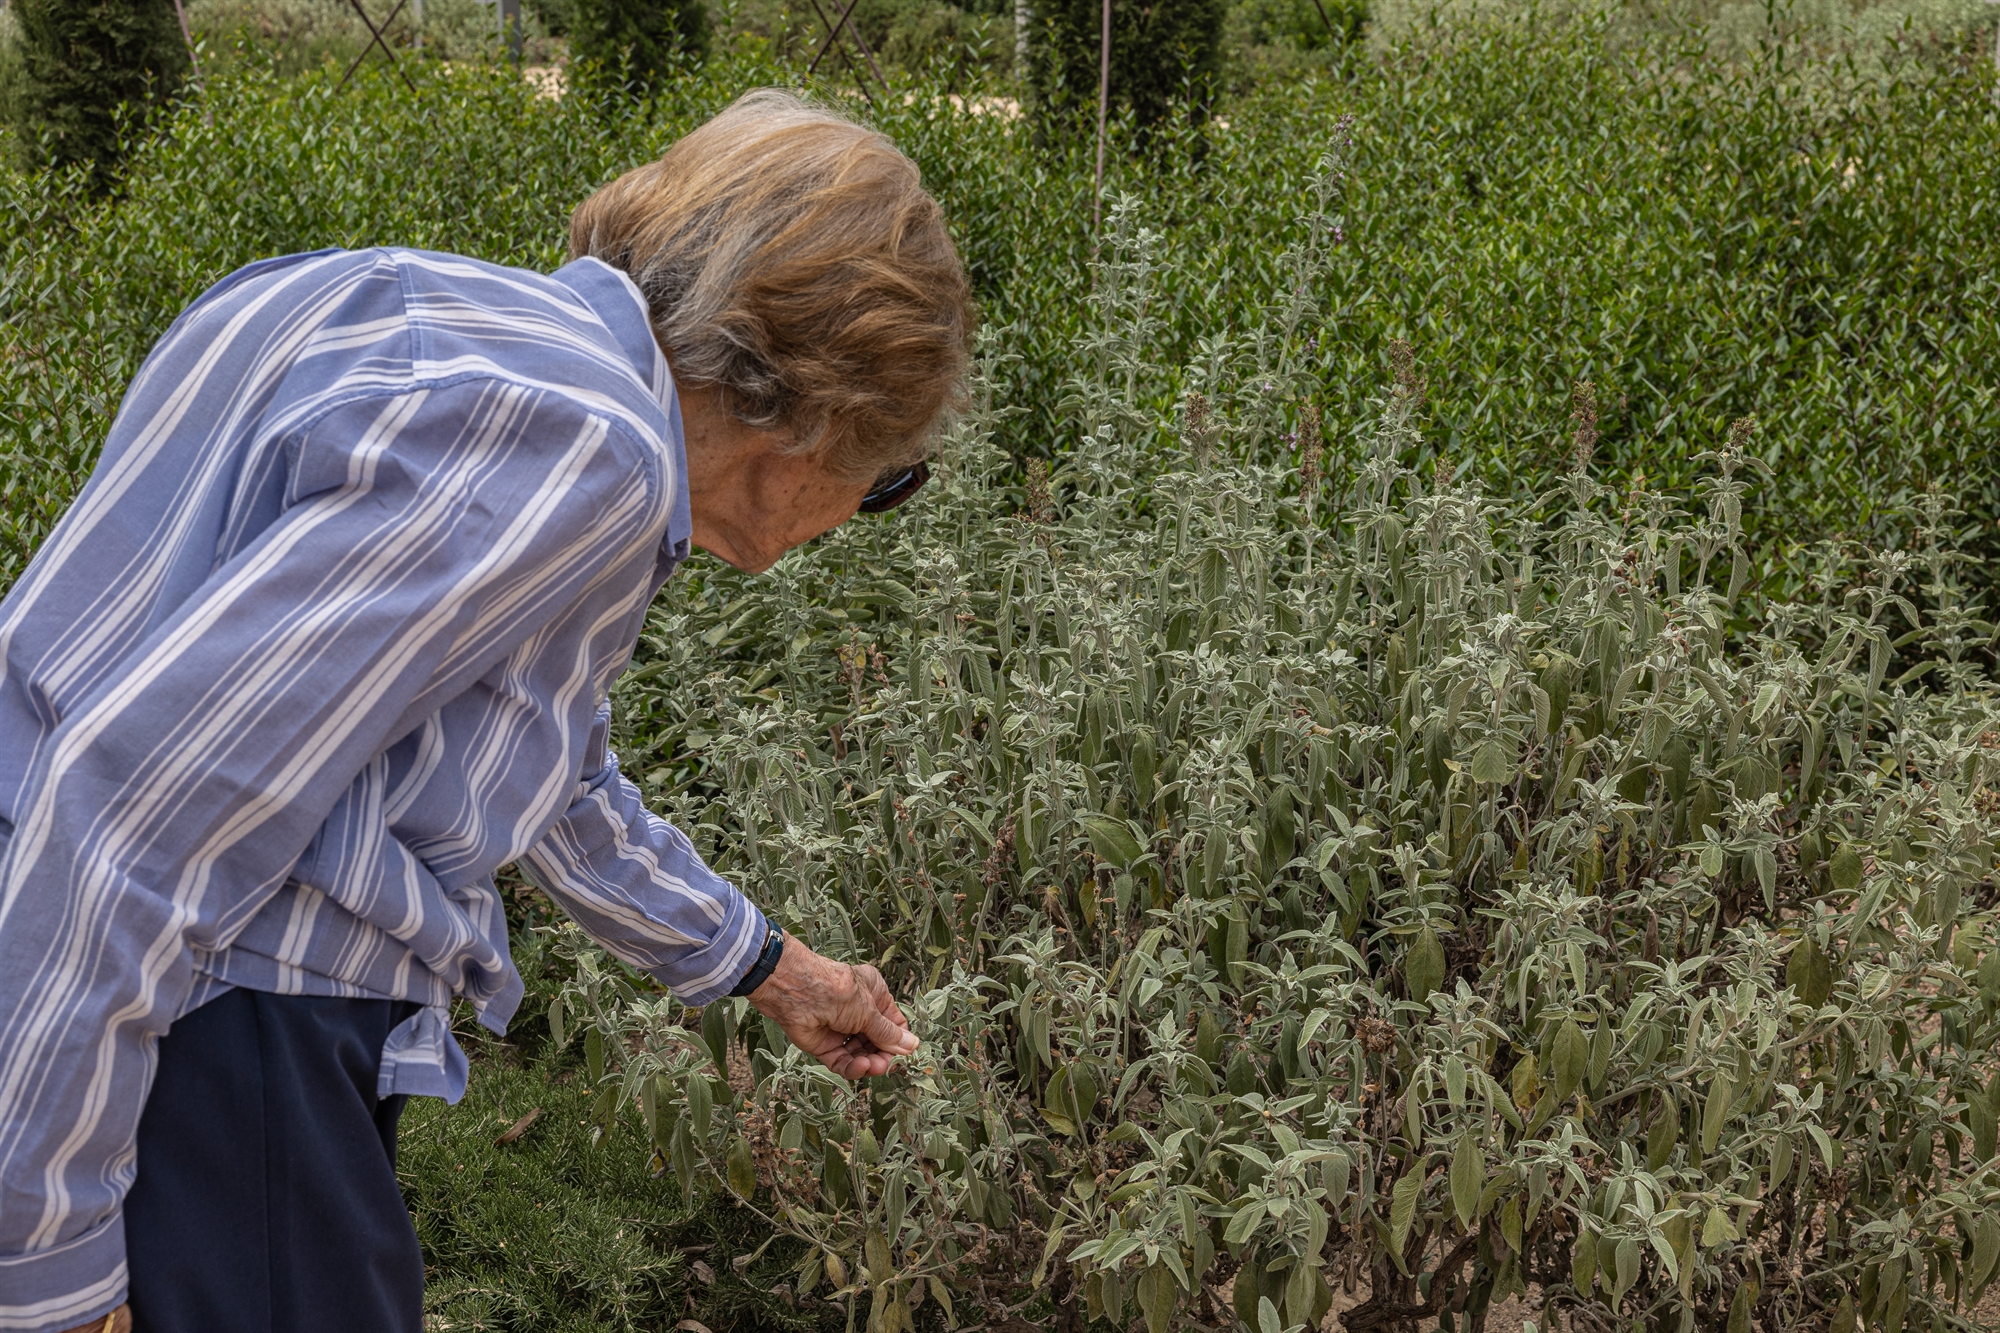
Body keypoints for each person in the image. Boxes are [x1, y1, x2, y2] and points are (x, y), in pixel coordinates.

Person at [0, 89, 971, 1333]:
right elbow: (132, 804)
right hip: (217, 1042)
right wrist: (46, 1259)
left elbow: (538, 765)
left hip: (106, 1000)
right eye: (887, 479)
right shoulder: (585, 447)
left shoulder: (399, 310)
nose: (859, 507)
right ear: (820, 418)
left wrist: (768, 969)